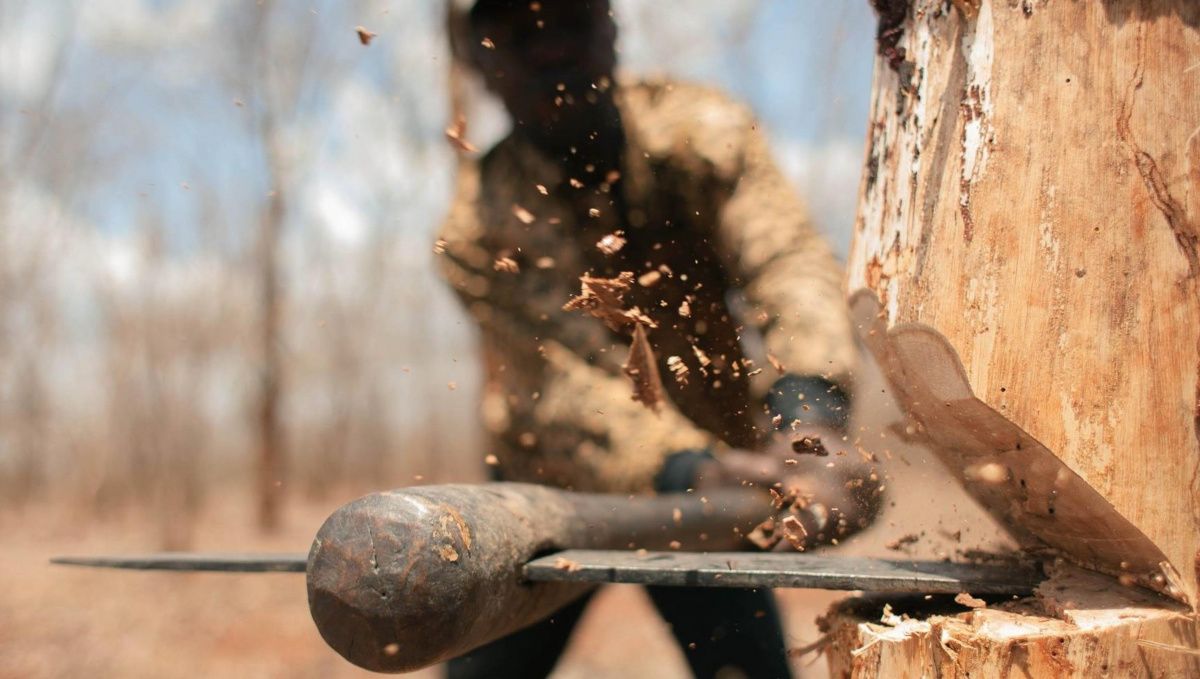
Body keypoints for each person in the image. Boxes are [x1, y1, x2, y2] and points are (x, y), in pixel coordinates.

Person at [436, 1, 882, 677]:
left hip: (715, 489)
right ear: (476, 57)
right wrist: (692, 469)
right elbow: (562, 381)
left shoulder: (701, 133)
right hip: (554, 490)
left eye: (568, 20)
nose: (550, 50)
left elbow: (785, 262)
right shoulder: (476, 228)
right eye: (519, 34)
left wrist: (809, 417)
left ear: (612, 27)